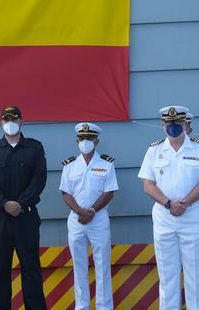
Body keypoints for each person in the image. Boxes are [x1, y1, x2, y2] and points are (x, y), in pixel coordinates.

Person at [139, 105, 199, 310]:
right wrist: (168, 204)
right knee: (167, 276)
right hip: (164, 220)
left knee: (195, 275)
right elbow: (148, 185)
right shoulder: (154, 150)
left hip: (191, 217)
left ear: (185, 124)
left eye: (177, 123)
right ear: (163, 125)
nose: (173, 126)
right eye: (169, 123)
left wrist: (185, 203)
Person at [0, 105, 48, 309]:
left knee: (31, 269)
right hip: (0, 218)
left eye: (14, 119)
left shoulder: (35, 148)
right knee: (1, 270)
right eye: (6, 119)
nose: (10, 123)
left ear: (21, 122)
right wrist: (4, 204)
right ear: (0, 122)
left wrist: (20, 203)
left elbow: (39, 180)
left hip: (26, 217)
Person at [60, 122, 119, 310]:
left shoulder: (106, 164)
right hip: (76, 221)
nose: (85, 141)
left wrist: (91, 211)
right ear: (77, 140)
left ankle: (104, 307)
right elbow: (65, 194)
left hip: (99, 219)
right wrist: (80, 212)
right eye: (82, 138)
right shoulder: (69, 165)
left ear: (97, 141)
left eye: (90, 138)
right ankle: (82, 306)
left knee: (102, 266)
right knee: (79, 267)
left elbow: (109, 192)